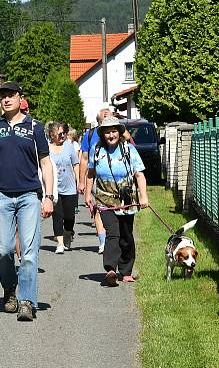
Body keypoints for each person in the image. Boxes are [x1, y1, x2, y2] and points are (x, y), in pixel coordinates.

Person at [0, 81, 54, 322]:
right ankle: (10, 289)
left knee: (29, 252)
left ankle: (27, 301)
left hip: (30, 196)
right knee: (2, 249)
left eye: (11, 95)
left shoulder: (35, 128)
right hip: (0, 196)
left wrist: (49, 196)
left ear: (21, 98)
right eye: (3, 96)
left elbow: (45, 163)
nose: (6, 100)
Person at [84, 116, 149, 287]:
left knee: (126, 235)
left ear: (119, 133)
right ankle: (111, 269)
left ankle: (126, 271)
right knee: (112, 232)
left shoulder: (129, 150)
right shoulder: (96, 150)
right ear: (103, 134)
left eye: (113, 131)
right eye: (107, 132)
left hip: (126, 197)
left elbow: (139, 175)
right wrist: (87, 194)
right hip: (104, 197)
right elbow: (91, 173)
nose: (111, 135)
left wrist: (143, 197)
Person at [79, 108, 113, 254]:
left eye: (108, 115)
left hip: (115, 180)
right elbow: (84, 159)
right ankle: (103, 242)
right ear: (98, 120)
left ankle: (114, 239)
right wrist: (81, 182)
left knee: (113, 210)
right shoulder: (90, 135)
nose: (105, 115)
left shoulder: (117, 134)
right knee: (98, 210)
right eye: (103, 116)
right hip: (95, 179)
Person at [47, 122, 79, 253]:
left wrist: (79, 182)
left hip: (70, 187)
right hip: (54, 188)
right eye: (59, 133)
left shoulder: (69, 146)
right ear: (52, 135)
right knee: (57, 216)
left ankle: (68, 233)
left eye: (64, 133)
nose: (62, 135)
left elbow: (76, 164)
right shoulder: (47, 148)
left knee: (69, 216)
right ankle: (59, 243)